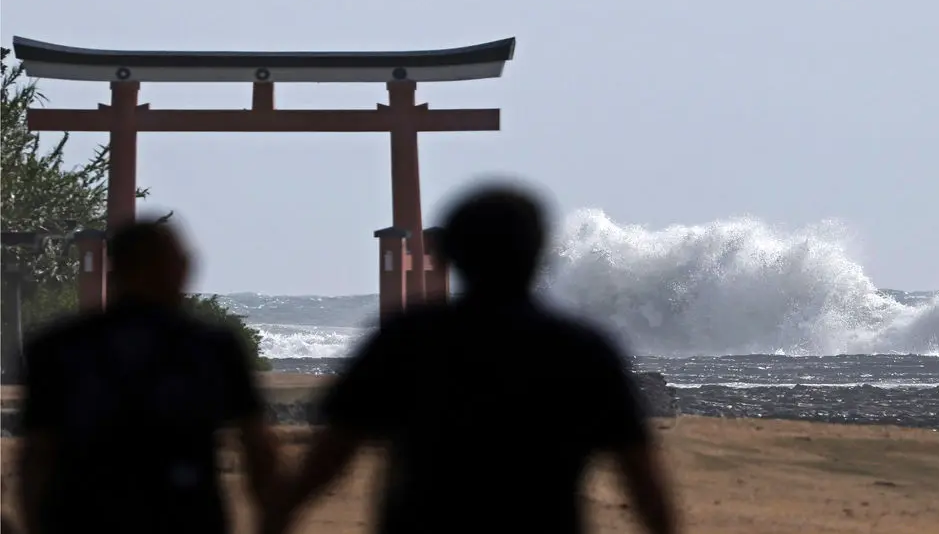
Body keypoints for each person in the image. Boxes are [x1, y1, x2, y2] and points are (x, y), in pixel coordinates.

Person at [263, 185, 678, 534]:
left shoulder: (407, 339)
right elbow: (641, 477)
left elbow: (332, 452)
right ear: (541, 255)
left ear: (445, 256)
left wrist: (277, 515)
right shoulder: (583, 350)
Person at [17, 220, 277, 534]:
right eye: (182, 262)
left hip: (83, 517)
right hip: (185, 517)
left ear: (115, 272)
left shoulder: (56, 346)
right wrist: (276, 519)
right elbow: (257, 450)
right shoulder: (212, 346)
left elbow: (36, 458)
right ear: (174, 269)